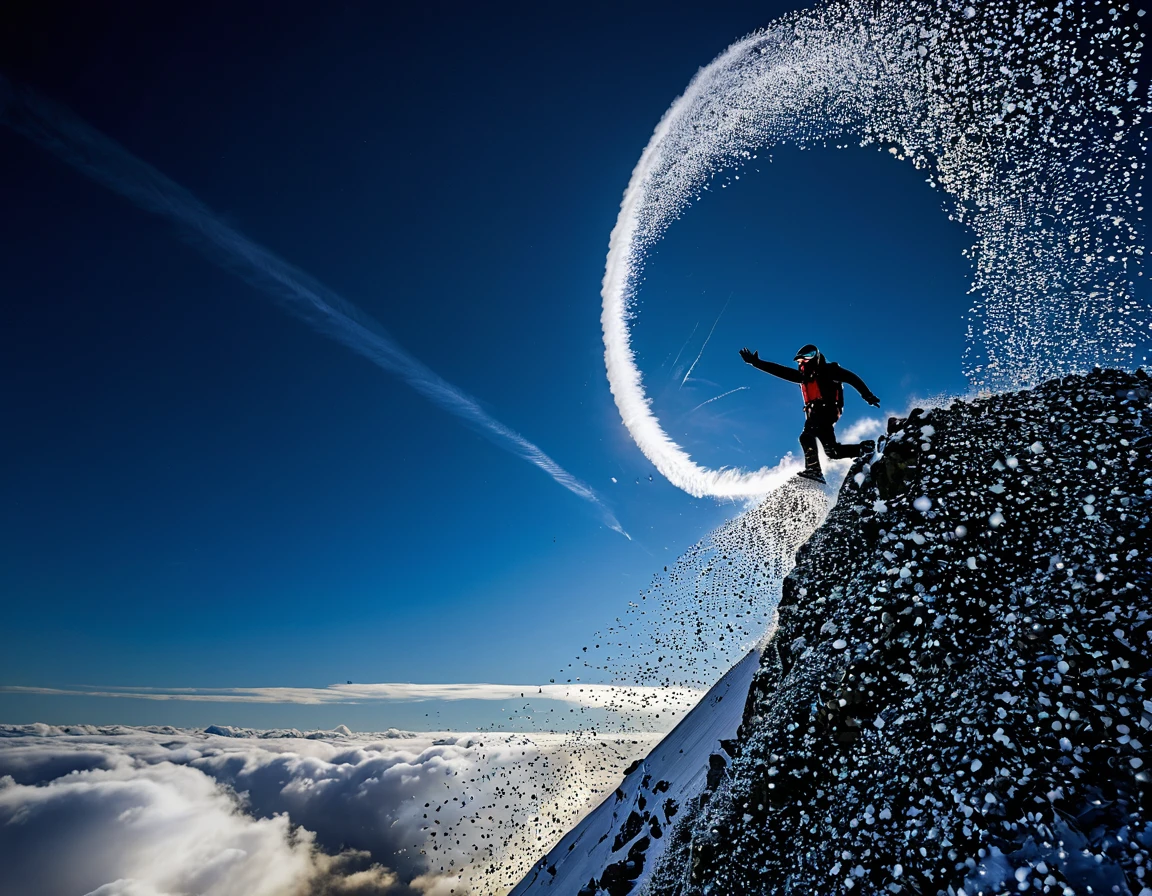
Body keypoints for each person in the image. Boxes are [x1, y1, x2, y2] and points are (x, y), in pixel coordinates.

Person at [739, 343, 880, 483]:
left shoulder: (829, 370)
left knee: (806, 437)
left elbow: (852, 378)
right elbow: (780, 371)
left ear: (815, 357)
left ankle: (814, 470)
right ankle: (864, 449)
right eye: (800, 361)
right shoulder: (803, 376)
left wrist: (867, 395)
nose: (803, 363)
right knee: (833, 452)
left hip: (827, 410)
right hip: (814, 414)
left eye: (806, 359)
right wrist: (756, 362)